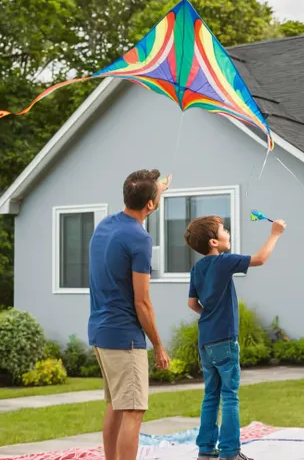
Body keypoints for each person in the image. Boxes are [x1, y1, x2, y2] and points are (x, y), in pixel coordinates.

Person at [184, 215, 286, 460]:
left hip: (205, 340)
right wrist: (275, 233)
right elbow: (260, 259)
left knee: (211, 394)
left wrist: (209, 315)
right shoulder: (224, 262)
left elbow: (192, 304)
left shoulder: (197, 268)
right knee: (230, 394)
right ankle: (230, 452)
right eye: (223, 230)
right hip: (225, 340)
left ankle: (206, 451)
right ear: (213, 242)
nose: (227, 232)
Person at [88, 169, 171, 460]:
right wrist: (158, 345)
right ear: (150, 205)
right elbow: (143, 302)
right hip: (125, 337)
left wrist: (155, 189)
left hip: (100, 331)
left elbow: (141, 195)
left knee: (117, 406)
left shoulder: (105, 225)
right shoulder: (140, 239)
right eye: (156, 196)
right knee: (134, 410)